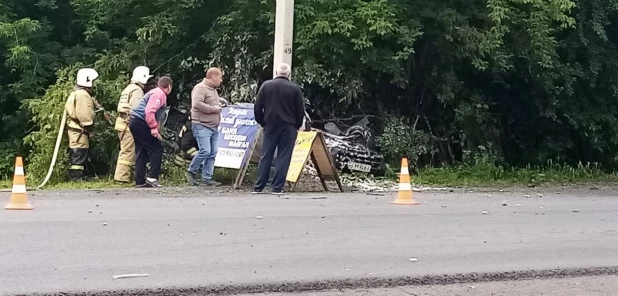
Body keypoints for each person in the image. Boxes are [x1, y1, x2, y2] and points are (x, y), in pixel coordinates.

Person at [252, 63, 305, 195]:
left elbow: (257, 106)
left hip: (270, 125)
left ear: (276, 73)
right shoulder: (294, 88)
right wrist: (297, 125)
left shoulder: (266, 86)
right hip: (288, 127)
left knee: (266, 155)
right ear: (289, 74)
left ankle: (259, 186)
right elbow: (300, 110)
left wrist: (262, 121)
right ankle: (277, 187)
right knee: (284, 156)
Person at [129, 76, 173, 188]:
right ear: (169, 86)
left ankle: (140, 181)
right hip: (141, 122)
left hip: (135, 121)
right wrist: (153, 128)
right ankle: (152, 178)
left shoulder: (153, 92)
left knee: (141, 150)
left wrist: (155, 127)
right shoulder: (160, 94)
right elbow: (149, 111)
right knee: (157, 148)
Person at [113, 66, 153, 183]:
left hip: (122, 123)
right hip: (128, 124)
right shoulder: (137, 90)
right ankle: (122, 177)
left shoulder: (128, 88)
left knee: (125, 150)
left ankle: (124, 176)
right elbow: (136, 109)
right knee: (128, 151)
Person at [185, 67, 224, 186]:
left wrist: (220, 101)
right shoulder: (200, 88)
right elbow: (196, 104)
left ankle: (207, 177)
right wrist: (213, 109)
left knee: (212, 152)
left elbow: (208, 101)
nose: (221, 80)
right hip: (202, 125)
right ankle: (191, 171)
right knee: (205, 151)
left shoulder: (213, 90)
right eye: (220, 77)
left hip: (213, 126)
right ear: (214, 77)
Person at [64, 68, 100, 181]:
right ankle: (76, 177)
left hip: (76, 129)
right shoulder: (83, 95)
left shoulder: (77, 92)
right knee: (79, 152)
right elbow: (84, 115)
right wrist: (90, 128)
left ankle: (81, 175)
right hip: (79, 130)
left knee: (79, 151)